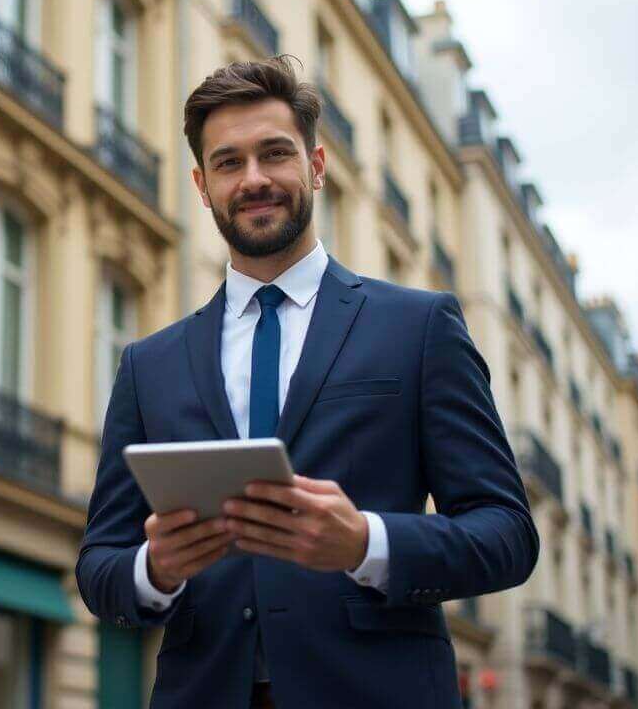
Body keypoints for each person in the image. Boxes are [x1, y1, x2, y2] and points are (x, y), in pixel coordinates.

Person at [76, 56, 539, 708]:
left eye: (275, 153)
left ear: (316, 167)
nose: (255, 179)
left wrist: (366, 544)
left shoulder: (419, 327)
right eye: (229, 162)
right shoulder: (149, 364)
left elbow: (507, 534)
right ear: (202, 184)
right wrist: (156, 569)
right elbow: (100, 567)